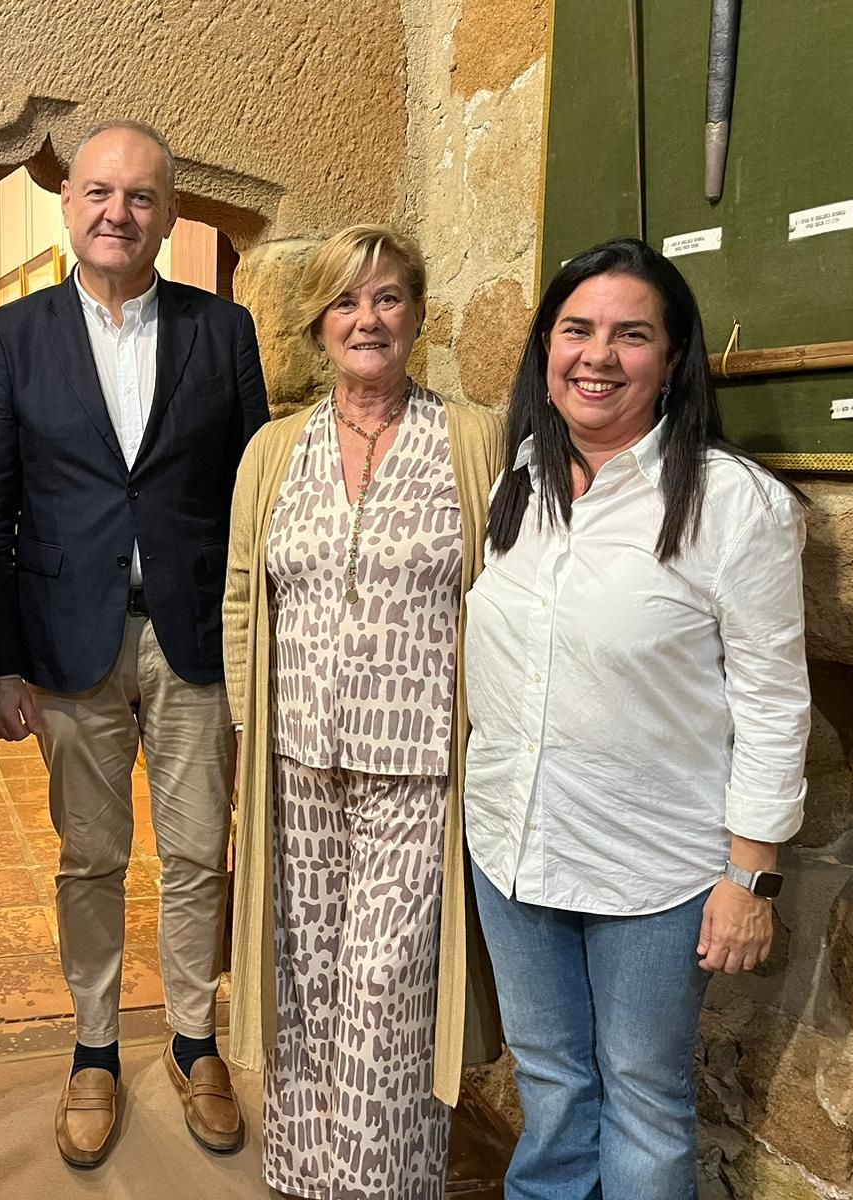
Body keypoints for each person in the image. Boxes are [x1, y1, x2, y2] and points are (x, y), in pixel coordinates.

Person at [463, 237, 810, 1200]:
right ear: (546, 349)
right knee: (553, 1086)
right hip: (514, 846)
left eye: (631, 335)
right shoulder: (521, 479)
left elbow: (775, 703)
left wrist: (753, 875)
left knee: (647, 1101)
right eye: (577, 330)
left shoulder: (733, 506)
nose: (598, 356)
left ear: (673, 359)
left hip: (654, 870)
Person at [0, 120, 269, 1167]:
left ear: (170, 213)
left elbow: (249, 502)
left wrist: (251, 647)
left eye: (140, 197)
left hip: (193, 645)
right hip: (64, 644)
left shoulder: (221, 333)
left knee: (196, 852)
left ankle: (193, 1039)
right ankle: (94, 1050)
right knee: (90, 857)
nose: (117, 213)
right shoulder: (11, 338)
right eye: (98, 192)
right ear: (68, 204)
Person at [223, 224, 506, 1200]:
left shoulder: (469, 441)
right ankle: (305, 1175)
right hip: (295, 762)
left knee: (387, 991)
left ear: (418, 316)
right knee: (305, 982)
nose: (367, 318)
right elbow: (240, 594)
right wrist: (248, 738)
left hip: (421, 765)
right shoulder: (273, 451)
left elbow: (499, 595)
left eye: (387, 299)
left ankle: (381, 1185)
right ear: (318, 324)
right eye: (346, 301)